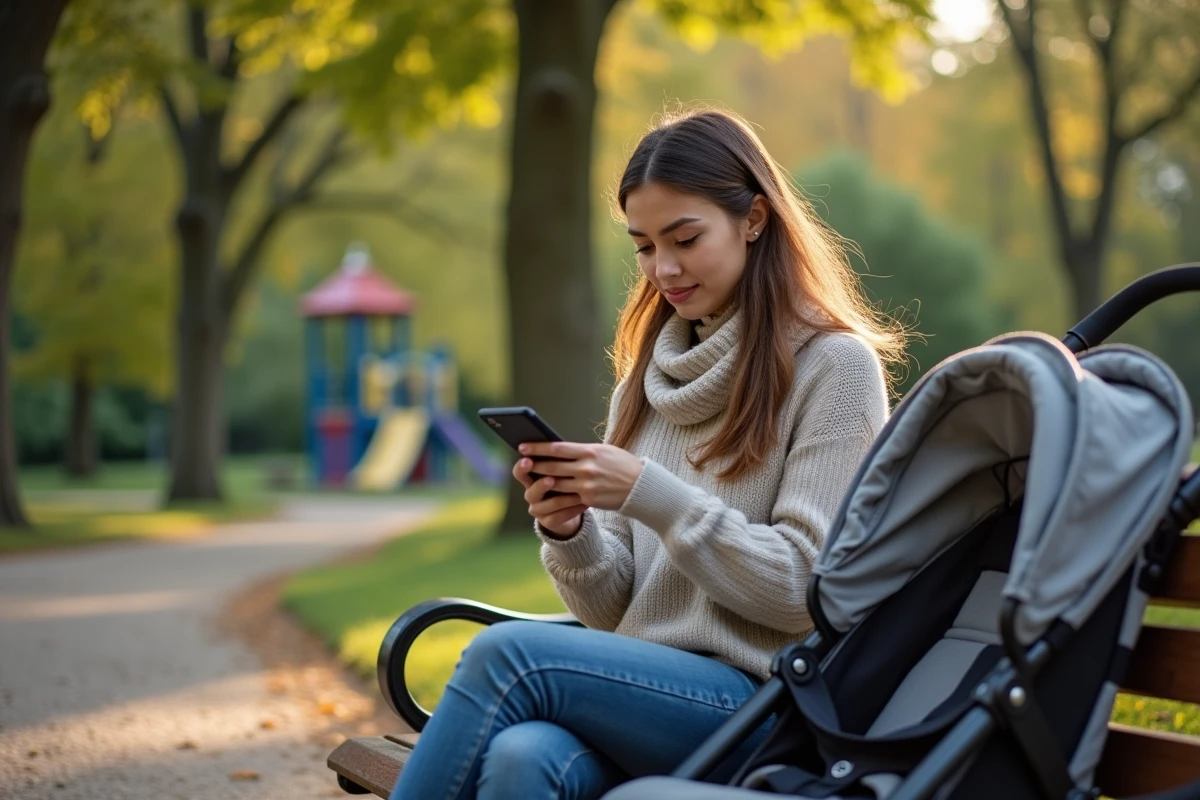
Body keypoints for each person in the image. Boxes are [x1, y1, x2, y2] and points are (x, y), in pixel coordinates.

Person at [390, 109, 904, 800]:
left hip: (764, 707)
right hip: (641, 692)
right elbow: (616, 612)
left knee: (504, 655)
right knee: (521, 758)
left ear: (753, 218)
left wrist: (651, 494)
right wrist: (571, 533)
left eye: (684, 238)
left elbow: (802, 590)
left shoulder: (833, 367)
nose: (663, 268)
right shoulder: (648, 380)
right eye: (642, 246)